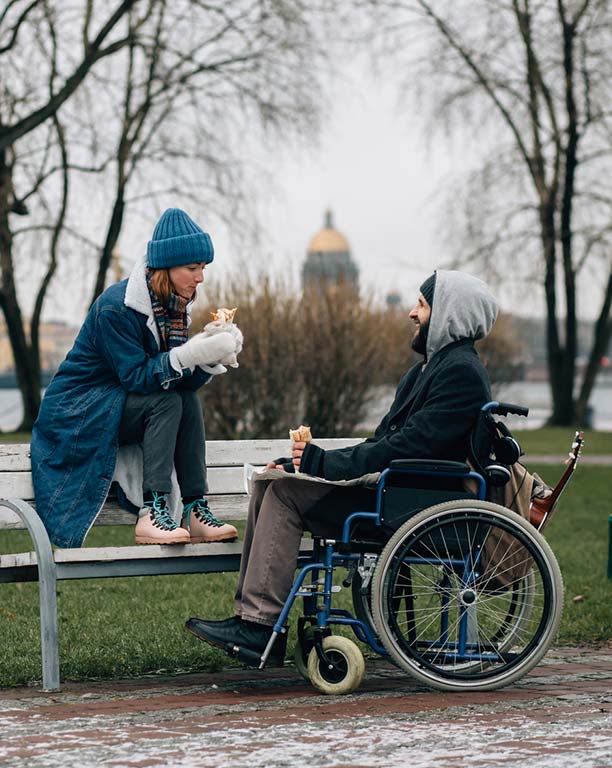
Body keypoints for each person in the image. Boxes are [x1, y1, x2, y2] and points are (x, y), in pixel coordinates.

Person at [185, 269, 498, 665]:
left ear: (450, 313)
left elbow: (406, 446)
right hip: (400, 491)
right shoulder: (428, 370)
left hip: (413, 503)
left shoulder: (460, 373)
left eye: (421, 304)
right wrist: (300, 464)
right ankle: (256, 623)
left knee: (283, 495)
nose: (411, 313)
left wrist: (323, 463)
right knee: (272, 483)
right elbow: (382, 444)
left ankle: (259, 626)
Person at [31, 208, 242, 548]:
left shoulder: (173, 306)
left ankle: (194, 507)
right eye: (192, 268)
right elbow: (137, 378)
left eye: (203, 268)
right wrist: (189, 355)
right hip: (77, 413)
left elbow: (178, 382)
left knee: (184, 399)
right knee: (166, 401)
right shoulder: (116, 308)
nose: (200, 277)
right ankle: (153, 512)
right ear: (166, 267)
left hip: (117, 404)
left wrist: (207, 361)